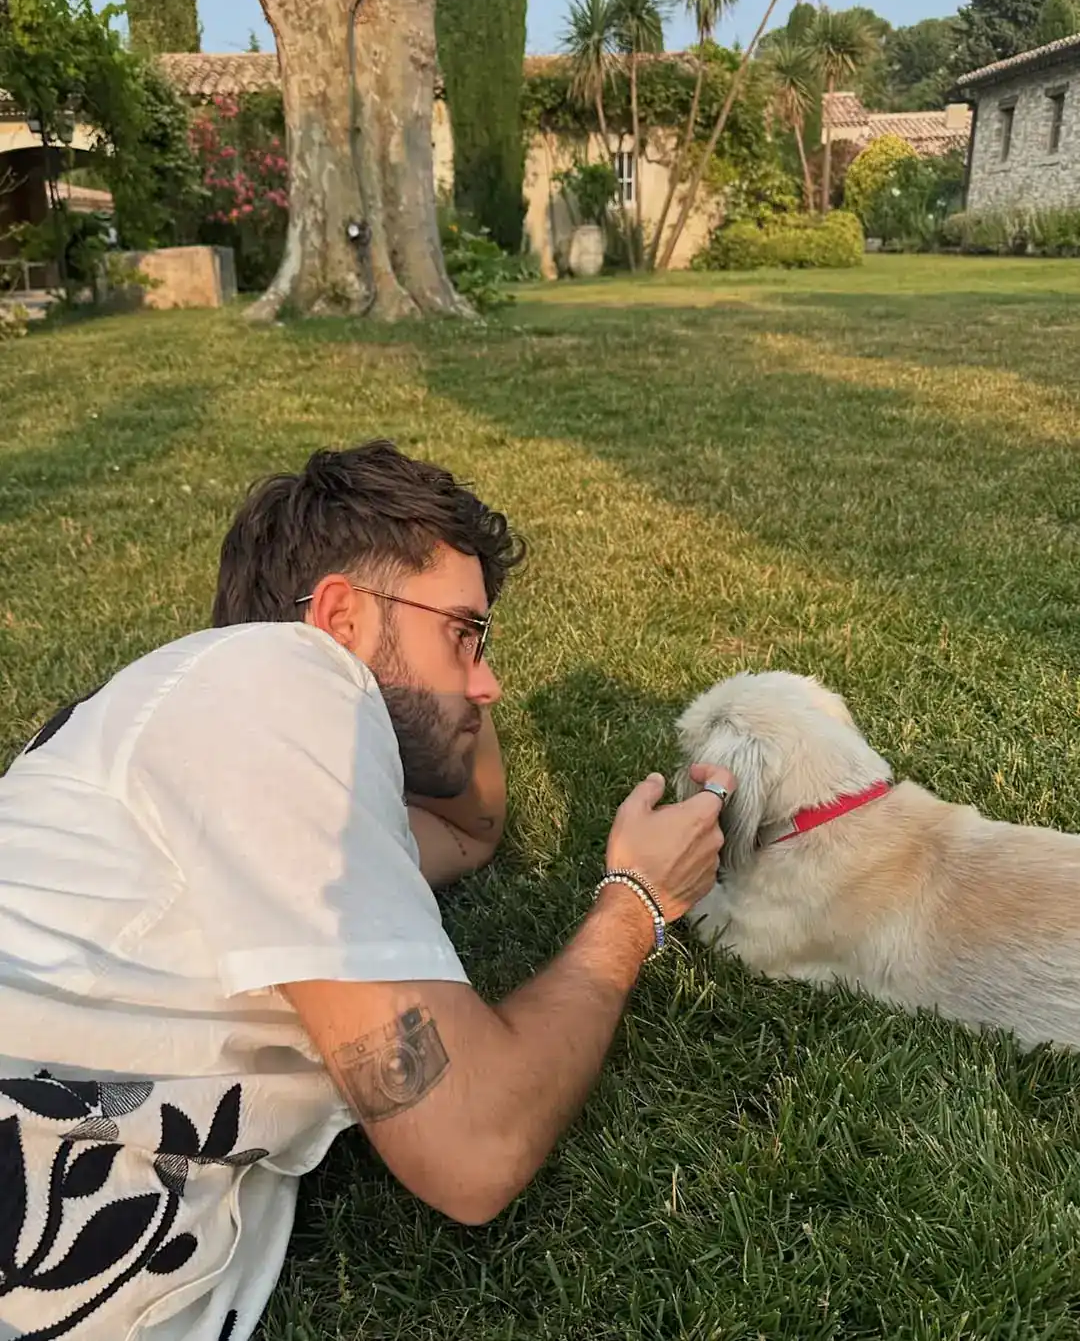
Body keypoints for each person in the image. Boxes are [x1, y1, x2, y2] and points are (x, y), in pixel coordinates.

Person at [0, 441, 736, 1341]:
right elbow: (472, 1147)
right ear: (338, 617)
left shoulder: (225, 745)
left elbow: (470, 831)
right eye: (463, 634)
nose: (489, 683)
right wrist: (637, 901)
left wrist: (443, 667)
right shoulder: (274, 678)